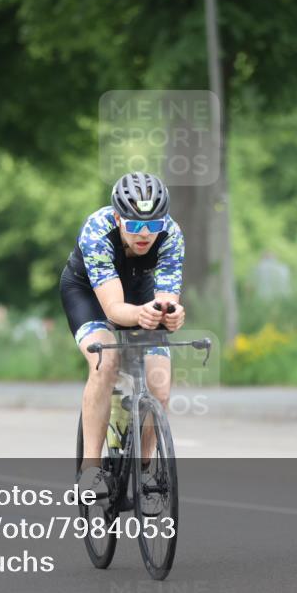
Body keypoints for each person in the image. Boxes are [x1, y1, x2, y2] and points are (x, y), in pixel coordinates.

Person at [59, 172, 185, 493]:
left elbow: (167, 298)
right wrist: (142, 314)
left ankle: (144, 469)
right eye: (134, 224)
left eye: (153, 225)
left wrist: (170, 315)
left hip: (140, 291)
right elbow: (114, 310)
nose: (145, 234)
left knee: (160, 384)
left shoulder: (171, 234)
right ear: (118, 217)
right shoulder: (97, 231)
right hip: (89, 295)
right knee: (106, 363)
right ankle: (91, 469)